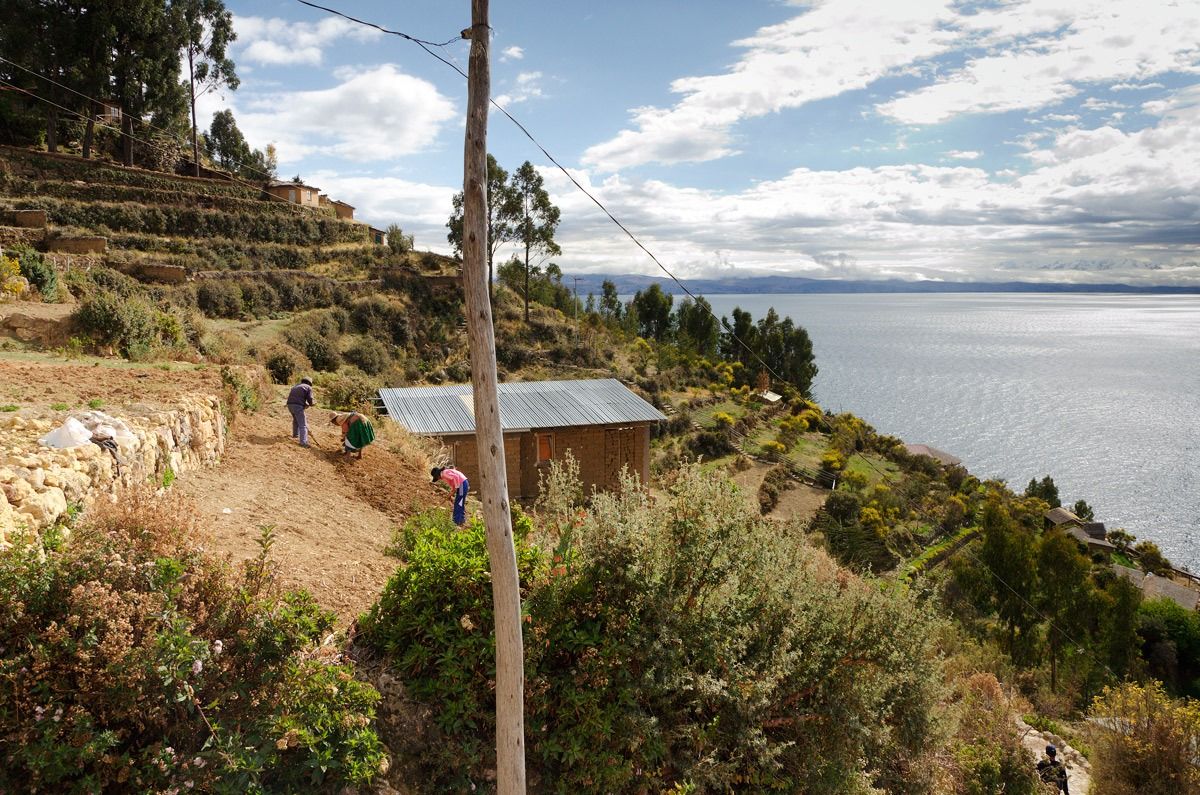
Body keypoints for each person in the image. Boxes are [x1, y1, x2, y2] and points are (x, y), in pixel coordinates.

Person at [286, 377, 314, 448]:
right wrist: (311, 404)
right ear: (309, 383)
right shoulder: (308, 387)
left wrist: (304, 404)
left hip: (289, 405)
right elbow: (310, 399)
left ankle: (295, 435)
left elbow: (297, 398)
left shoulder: (295, 386)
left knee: (295, 420)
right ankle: (303, 443)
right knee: (303, 425)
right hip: (297, 406)